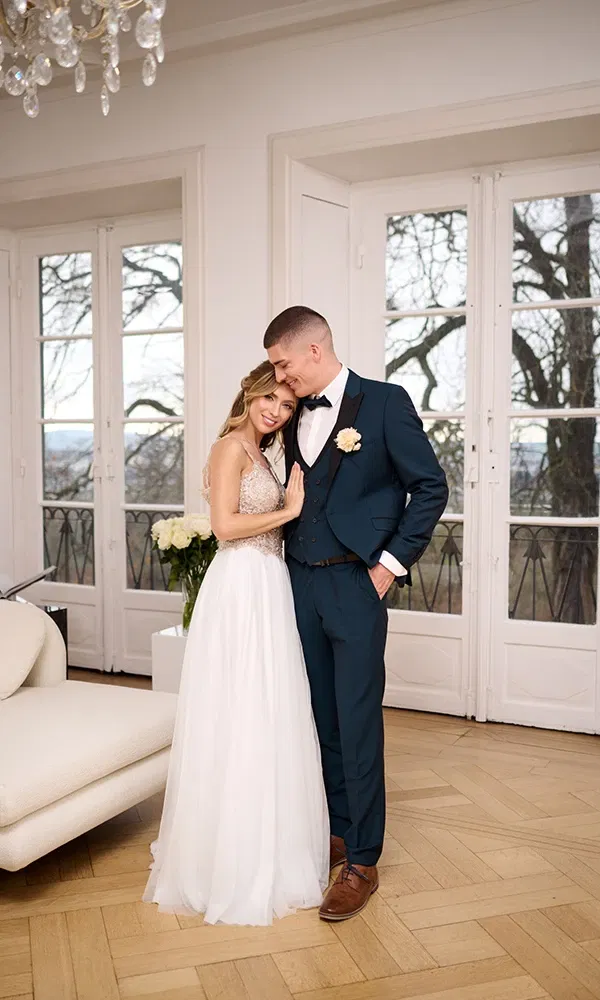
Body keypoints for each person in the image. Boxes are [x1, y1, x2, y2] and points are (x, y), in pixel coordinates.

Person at [265, 305, 449, 921]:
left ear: (313, 351)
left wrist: (387, 567)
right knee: (318, 717)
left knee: (358, 719)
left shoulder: (386, 402)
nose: (279, 378)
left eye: (283, 365)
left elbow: (430, 487)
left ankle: (363, 861)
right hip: (297, 583)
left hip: (355, 583)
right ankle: (339, 830)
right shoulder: (289, 415)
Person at [143, 361, 329, 925]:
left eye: (287, 404)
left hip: (268, 583)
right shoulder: (230, 448)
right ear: (248, 393)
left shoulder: (264, 453)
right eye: (269, 398)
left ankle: (268, 842)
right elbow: (223, 526)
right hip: (242, 585)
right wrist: (290, 509)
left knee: (269, 709)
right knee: (242, 707)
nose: (276, 410)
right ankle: (230, 858)